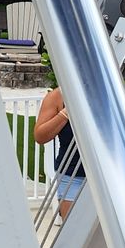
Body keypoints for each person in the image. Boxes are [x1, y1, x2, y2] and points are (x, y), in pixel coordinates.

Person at [35, 87, 85, 218]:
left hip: (108, 176)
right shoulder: (57, 96)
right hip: (72, 176)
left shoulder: (111, 91)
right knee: (73, 230)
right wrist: (65, 114)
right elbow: (40, 136)